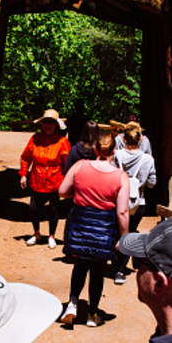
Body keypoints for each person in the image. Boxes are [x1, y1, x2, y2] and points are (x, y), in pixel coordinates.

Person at [59, 132, 129, 328]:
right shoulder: (120, 176)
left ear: (96, 149)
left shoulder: (79, 166)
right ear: (114, 150)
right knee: (97, 270)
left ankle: (72, 303)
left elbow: (62, 192)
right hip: (104, 228)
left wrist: (81, 192)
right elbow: (122, 212)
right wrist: (123, 237)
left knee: (80, 264)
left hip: (80, 223)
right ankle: (92, 314)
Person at [19, 109, 70, 248]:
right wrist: (23, 174)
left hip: (54, 181)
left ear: (56, 125)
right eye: (45, 122)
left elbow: (68, 162)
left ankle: (51, 236)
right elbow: (26, 157)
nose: (47, 125)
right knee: (33, 209)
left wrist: (68, 180)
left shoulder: (62, 142)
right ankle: (36, 234)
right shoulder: (35, 139)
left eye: (51, 122)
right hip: (37, 180)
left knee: (53, 210)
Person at [112, 122, 157, 284]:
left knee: (117, 231)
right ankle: (121, 268)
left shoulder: (116, 156)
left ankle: (116, 265)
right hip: (138, 201)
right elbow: (152, 182)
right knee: (130, 232)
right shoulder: (147, 159)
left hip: (119, 201)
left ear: (123, 139)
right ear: (140, 140)